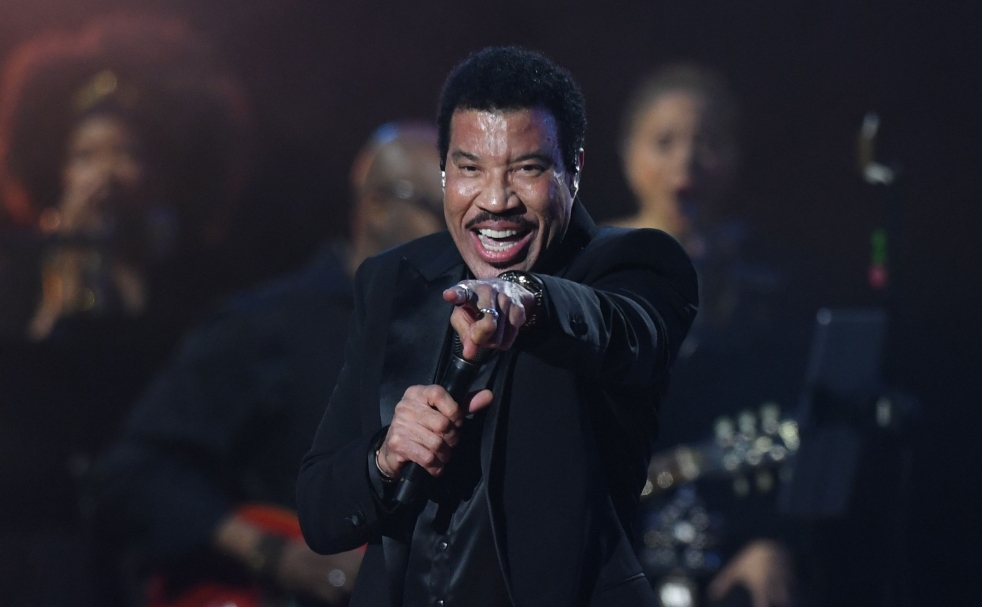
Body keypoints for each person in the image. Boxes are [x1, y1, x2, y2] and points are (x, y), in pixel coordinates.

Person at [296, 46, 698, 607]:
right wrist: (385, 457)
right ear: (443, 172)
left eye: (527, 168)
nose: (495, 200)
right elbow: (319, 511)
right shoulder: (393, 281)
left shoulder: (633, 265)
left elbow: (625, 331)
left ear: (573, 170)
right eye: (470, 169)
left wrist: (525, 297)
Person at [90, 122, 446, 606]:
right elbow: (135, 474)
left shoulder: (456, 345)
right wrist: (276, 555)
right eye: (441, 211)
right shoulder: (266, 326)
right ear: (378, 205)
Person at [0, 16, 249, 607]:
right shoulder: (17, 270)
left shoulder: (187, 285)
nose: (106, 172)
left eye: (125, 153)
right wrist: (66, 269)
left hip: (148, 544)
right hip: (38, 533)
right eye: (86, 155)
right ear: (56, 170)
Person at [612, 64, 806, 607]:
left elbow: (794, 422)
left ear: (734, 158)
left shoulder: (763, 284)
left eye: (706, 142)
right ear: (629, 154)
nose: (686, 162)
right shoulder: (590, 269)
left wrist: (773, 538)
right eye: (664, 142)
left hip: (728, 547)